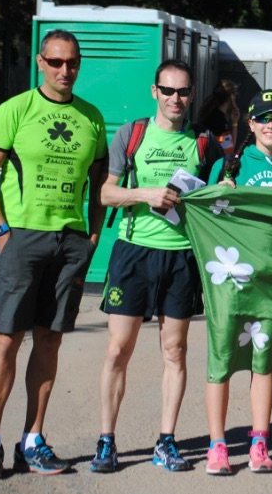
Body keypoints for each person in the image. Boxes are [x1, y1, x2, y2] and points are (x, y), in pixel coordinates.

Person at [0, 29, 108, 478]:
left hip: (69, 242)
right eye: (56, 62)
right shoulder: (13, 112)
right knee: (7, 339)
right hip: (22, 239)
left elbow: (100, 184)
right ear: (39, 62)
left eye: (72, 63)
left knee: (49, 339)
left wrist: (90, 240)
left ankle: (33, 438)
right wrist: (1, 232)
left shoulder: (92, 117)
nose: (65, 71)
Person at [91, 60, 205, 474]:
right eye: (168, 91)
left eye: (184, 92)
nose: (176, 99)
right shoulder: (132, 134)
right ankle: (106, 441)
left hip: (181, 257)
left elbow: (212, 200)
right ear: (154, 91)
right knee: (118, 350)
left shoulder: (203, 143)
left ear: (191, 95)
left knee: (174, 350)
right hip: (134, 252)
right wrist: (146, 194)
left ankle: (166, 440)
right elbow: (105, 194)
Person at [203, 90, 272, 474]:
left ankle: (260, 443)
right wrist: (221, 192)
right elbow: (204, 211)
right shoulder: (231, 165)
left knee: (262, 363)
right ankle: (217, 446)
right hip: (231, 279)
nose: (271, 124)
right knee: (221, 360)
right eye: (263, 117)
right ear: (250, 124)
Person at [196, 79, 241, 157]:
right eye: (234, 96)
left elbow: (229, 146)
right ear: (231, 96)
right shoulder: (217, 119)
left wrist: (235, 122)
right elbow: (228, 149)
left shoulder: (218, 116)